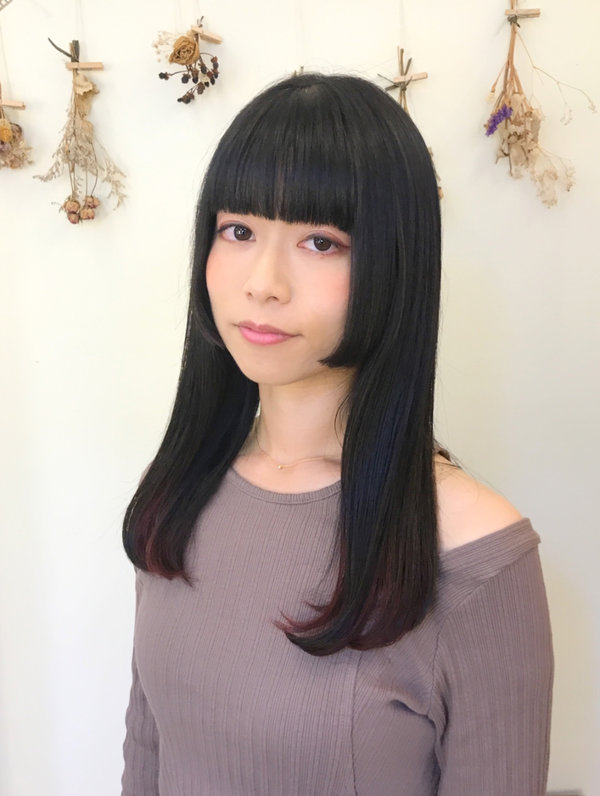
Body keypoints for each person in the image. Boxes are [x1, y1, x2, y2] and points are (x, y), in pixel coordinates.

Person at [121, 72, 553, 795]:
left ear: (394, 263)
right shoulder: (177, 494)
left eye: (321, 242)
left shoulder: (475, 553)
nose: (264, 282)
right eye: (239, 231)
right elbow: (147, 755)